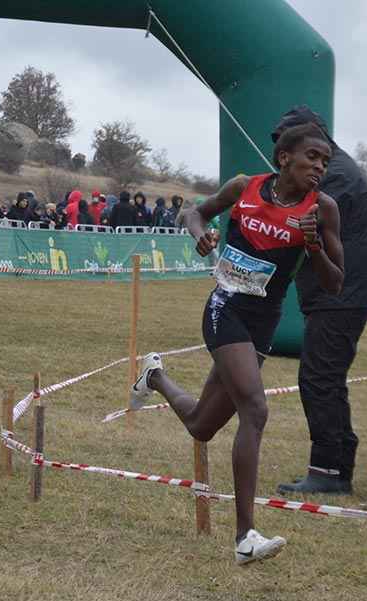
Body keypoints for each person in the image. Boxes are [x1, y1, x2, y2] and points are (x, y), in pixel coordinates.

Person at [131, 123, 344, 564]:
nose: (320, 167)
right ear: (285, 157)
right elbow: (191, 213)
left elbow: (335, 283)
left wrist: (313, 246)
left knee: (202, 426)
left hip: (261, 324)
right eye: (312, 157)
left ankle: (153, 375)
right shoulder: (244, 187)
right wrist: (201, 235)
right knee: (256, 408)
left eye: (325, 161)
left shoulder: (322, 209)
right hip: (224, 309)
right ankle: (245, 536)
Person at [269, 106, 367, 497]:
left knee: (319, 378)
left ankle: (331, 471)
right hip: (341, 294)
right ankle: (335, 464)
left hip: (342, 295)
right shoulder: (336, 169)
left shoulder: (329, 177)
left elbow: (294, 222)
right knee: (324, 377)